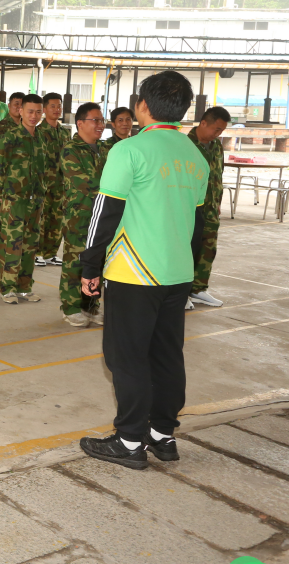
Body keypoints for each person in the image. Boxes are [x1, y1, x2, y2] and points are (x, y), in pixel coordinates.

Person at [79, 71, 207, 470]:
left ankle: (130, 440)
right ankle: (162, 435)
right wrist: (187, 270)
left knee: (127, 358)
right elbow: (198, 224)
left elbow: (104, 212)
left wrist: (89, 266)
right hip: (177, 272)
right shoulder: (195, 156)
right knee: (167, 355)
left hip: (133, 272)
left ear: (143, 106)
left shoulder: (129, 150)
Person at [0, 93, 50, 303]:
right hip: (14, 200)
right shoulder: (10, 137)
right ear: (20, 111)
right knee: (12, 244)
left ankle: (24, 287)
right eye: (30, 111)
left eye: (38, 112)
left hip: (35, 200)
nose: (34, 116)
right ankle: (8, 288)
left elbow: (45, 169)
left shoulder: (41, 138)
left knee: (30, 245)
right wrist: (5, 198)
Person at [58, 102, 109, 327]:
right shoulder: (71, 150)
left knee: (97, 261)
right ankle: (70, 307)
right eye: (95, 120)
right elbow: (84, 182)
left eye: (102, 120)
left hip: (102, 216)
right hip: (79, 216)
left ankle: (91, 306)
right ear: (80, 123)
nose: (100, 125)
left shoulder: (105, 150)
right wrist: (113, 190)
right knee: (75, 261)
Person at [188, 107, 230, 308]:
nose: (218, 134)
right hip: (190, 207)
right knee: (187, 248)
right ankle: (181, 292)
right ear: (203, 123)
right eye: (216, 129)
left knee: (208, 248)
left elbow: (218, 176)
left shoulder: (216, 146)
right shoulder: (185, 145)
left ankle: (198, 289)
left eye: (221, 130)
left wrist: (217, 202)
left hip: (211, 207)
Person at [0, 92, 27, 256]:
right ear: (9, 106)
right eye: (16, 103)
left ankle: (14, 241)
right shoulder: (1, 128)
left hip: (22, 178)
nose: (19, 107)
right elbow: (2, 151)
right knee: (0, 209)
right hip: (4, 176)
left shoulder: (27, 127)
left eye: (22, 104)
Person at [35, 92, 71, 267]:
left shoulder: (64, 132)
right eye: (53, 106)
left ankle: (51, 253)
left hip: (61, 183)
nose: (57, 109)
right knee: (41, 218)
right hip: (43, 183)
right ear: (44, 109)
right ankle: (37, 252)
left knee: (57, 219)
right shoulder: (38, 132)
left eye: (59, 106)